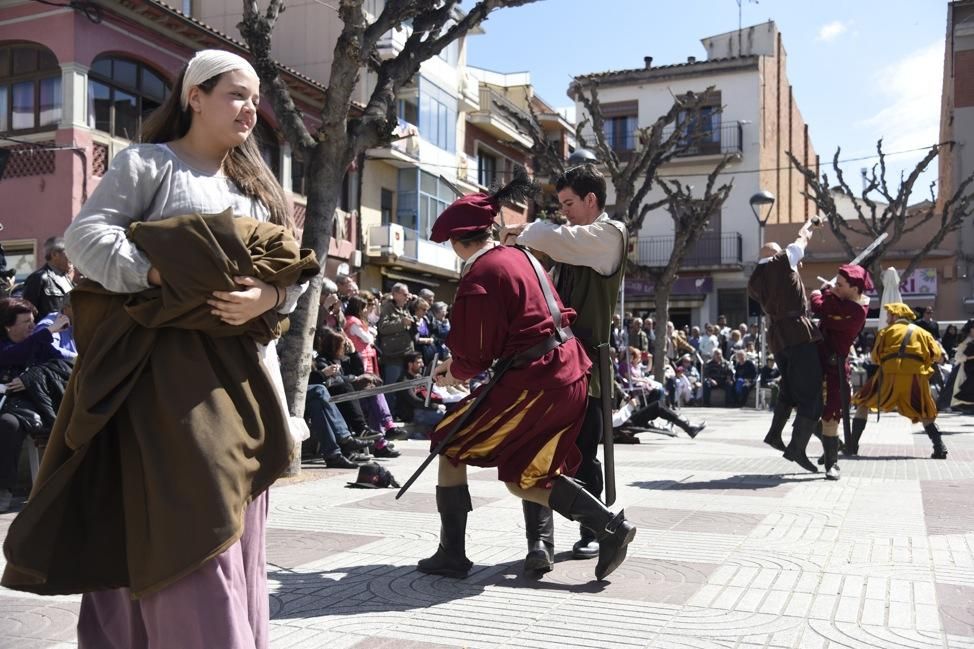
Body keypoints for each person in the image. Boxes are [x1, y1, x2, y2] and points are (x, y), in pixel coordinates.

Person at [3, 50, 318, 649]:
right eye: (235, 93)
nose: (251, 107)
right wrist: (161, 276)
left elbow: (298, 274)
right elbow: (87, 238)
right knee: (184, 523)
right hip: (161, 386)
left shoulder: (260, 187)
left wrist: (268, 296)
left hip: (247, 380)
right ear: (193, 96)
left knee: (234, 524)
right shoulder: (150, 164)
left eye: (256, 98)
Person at [419, 175, 635, 581]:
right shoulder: (522, 257)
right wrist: (464, 364)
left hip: (538, 378)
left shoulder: (482, 274)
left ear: (457, 240)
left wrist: (456, 372)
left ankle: (452, 554)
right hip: (568, 370)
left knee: (449, 445)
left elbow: (477, 350)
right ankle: (611, 527)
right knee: (526, 476)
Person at [500, 163, 629, 564]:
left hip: (587, 367)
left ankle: (597, 529)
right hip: (553, 364)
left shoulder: (609, 235)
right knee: (533, 447)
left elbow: (543, 235)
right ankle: (539, 543)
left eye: (569, 203)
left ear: (592, 200)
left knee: (581, 454)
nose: (565, 212)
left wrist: (526, 232)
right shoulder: (572, 241)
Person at [747, 221, 823, 473]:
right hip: (798, 333)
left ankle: (775, 433)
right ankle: (797, 448)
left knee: (789, 388)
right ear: (775, 253)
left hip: (777, 338)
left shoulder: (754, 279)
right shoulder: (783, 259)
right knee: (811, 394)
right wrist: (811, 224)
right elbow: (802, 239)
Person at [0, 298, 72, 513]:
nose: (33, 326)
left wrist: (30, 378)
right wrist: (49, 330)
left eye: (34, 321)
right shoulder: (7, 345)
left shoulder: (40, 344)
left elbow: (62, 368)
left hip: (31, 406)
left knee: (8, 424)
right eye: (26, 322)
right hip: (5, 402)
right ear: (8, 326)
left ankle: (4, 490)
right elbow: (13, 355)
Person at [851, 303, 948, 459]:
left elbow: (875, 359)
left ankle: (852, 445)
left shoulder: (885, 332)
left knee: (863, 402)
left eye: (889, 315)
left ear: (896, 315)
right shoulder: (924, 333)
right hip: (916, 378)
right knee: (924, 410)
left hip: (889, 376)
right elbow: (937, 356)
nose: (888, 318)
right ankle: (939, 447)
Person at [808, 265, 872, 479]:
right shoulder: (841, 301)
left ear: (854, 289)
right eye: (835, 283)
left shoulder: (856, 310)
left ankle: (831, 463)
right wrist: (831, 291)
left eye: (840, 284)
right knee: (802, 408)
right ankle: (835, 445)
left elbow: (820, 308)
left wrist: (820, 292)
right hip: (815, 362)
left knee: (831, 416)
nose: (835, 286)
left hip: (835, 366)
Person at [376, 282, 415, 411]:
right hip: (393, 356)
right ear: (395, 294)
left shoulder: (405, 308)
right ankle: (388, 417)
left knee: (404, 389)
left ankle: (400, 413)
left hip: (406, 354)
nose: (407, 296)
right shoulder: (387, 308)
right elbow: (383, 328)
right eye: (404, 294)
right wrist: (402, 322)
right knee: (390, 388)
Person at [21, 236, 74, 318]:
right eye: (68, 253)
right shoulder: (38, 278)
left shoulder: (67, 280)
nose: (72, 258)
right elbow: (27, 313)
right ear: (54, 254)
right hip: (48, 330)